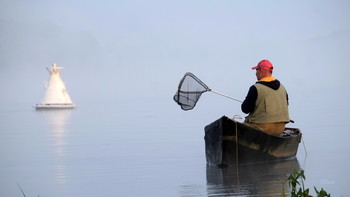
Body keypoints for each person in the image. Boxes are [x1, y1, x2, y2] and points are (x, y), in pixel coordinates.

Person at [241, 59, 290, 136]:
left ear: (261, 70)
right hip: (280, 128)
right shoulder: (283, 88)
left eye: (257, 70)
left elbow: (245, 109)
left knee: (238, 128)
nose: (256, 73)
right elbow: (286, 105)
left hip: (263, 128)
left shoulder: (255, 88)